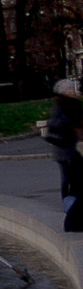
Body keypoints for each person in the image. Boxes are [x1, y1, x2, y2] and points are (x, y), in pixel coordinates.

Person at [50, 79, 83, 232]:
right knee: (71, 181)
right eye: (69, 89)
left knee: (70, 181)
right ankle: (69, 209)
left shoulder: (63, 104)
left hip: (68, 149)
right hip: (69, 150)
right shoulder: (67, 105)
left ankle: (69, 208)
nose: (72, 91)